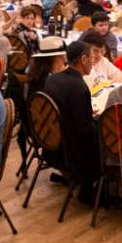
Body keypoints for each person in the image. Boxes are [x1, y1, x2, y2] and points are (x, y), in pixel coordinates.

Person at [44, 41, 100, 202]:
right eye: (91, 57)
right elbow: (84, 130)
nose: (93, 61)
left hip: (51, 144)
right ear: (83, 59)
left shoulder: (53, 79)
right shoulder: (78, 87)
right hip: (71, 150)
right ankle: (91, 188)